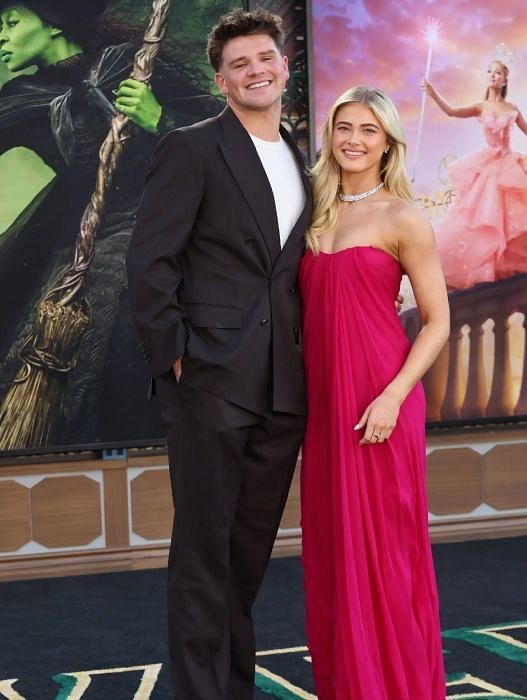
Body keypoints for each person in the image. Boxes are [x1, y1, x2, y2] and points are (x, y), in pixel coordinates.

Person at [125, 10, 310, 698]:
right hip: (209, 382)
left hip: (283, 391)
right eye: (240, 64)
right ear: (220, 80)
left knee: (245, 560)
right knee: (204, 559)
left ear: (285, 65)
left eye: (266, 58)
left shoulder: (301, 155)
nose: (257, 70)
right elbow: (150, 262)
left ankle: (230, 687)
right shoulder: (193, 146)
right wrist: (176, 359)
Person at [0, 0, 219, 447]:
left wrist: (159, 119)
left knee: (126, 358)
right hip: (75, 247)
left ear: (51, 22)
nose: (1, 36)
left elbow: (224, 147)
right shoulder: (23, 99)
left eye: (11, 22)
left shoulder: (135, 65)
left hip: (161, 245)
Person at [300, 85, 449, 698]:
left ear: (388, 142)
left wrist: (392, 397)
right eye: (343, 127)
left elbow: (438, 321)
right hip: (323, 402)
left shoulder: (403, 216)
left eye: (368, 130)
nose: (353, 140)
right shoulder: (312, 213)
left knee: (386, 548)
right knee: (334, 551)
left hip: (381, 397)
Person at [420, 44, 527, 290]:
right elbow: (451, 112)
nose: (493, 76)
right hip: (488, 165)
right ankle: (488, 270)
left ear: (505, 79)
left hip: (510, 162)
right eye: (490, 72)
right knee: (484, 217)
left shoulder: (512, 109)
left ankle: (517, 271)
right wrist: (433, 93)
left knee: (526, 212)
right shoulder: (479, 106)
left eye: (497, 73)